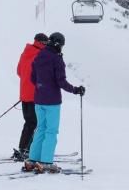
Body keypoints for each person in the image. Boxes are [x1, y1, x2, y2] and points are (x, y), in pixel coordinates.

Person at [25, 32, 85, 174]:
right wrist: (76, 90)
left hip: (39, 99)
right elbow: (61, 82)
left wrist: (42, 85)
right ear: (58, 44)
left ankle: (32, 160)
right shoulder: (56, 59)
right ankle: (45, 162)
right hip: (52, 102)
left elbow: (33, 78)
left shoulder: (39, 56)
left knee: (40, 129)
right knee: (51, 131)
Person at [13, 32, 49, 161]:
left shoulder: (26, 53)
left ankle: (23, 148)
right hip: (35, 95)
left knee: (29, 122)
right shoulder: (41, 54)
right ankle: (27, 150)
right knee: (35, 123)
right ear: (42, 43)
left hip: (24, 94)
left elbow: (19, 71)